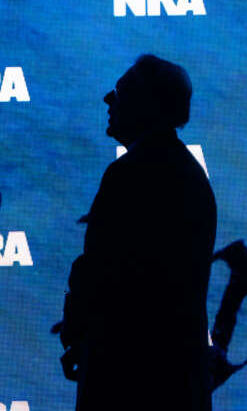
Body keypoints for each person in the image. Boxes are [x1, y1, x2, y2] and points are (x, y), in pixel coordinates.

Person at [59, 55, 217, 411]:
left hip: (127, 376)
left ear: (147, 104)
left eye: (121, 92)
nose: (108, 100)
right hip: (174, 378)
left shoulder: (130, 174)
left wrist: (79, 335)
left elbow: (103, 273)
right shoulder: (191, 175)